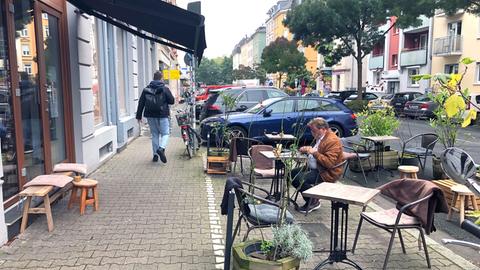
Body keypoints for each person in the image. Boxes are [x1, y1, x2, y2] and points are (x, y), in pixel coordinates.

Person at [291, 117, 344, 213]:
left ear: (323, 129)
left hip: (326, 172)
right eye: (311, 130)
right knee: (291, 174)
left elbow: (329, 163)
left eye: (314, 130)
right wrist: (307, 150)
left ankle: (313, 201)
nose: (312, 132)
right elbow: (317, 151)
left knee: (299, 179)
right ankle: (312, 197)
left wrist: (313, 152)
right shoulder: (321, 137)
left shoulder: (332, 141)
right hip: (316, 167)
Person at [136, 71, 175, 163]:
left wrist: (138, 116)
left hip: (150, 115)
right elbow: (172, 101)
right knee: (165, 134)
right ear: (161, 78)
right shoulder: (165, 89)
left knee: (155, 134)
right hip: (162, 115)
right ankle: (161, 149)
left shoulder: (146, 89)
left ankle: (155, 156)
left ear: (153, 78)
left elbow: (141, 103)